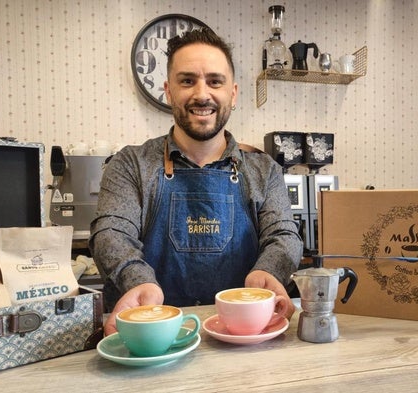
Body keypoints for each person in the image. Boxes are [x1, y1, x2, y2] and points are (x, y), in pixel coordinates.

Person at [89, 28, 303, 336]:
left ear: (233, 93)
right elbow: (110, 233)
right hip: (153, 338)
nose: (202, 94)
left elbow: (283, 235)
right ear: (169, 91)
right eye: (187, 81)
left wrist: (269, 270)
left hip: (243, 339)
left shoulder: (265, 170)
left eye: (215, 81)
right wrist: (139, 280)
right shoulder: (130, 163)